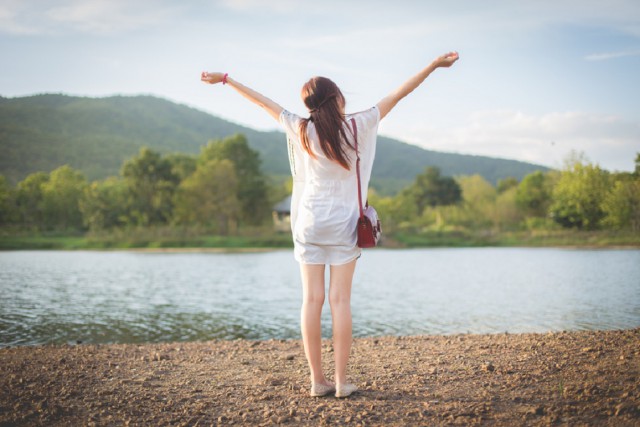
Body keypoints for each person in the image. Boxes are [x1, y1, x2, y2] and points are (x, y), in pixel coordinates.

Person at [201, 51, 459, 398]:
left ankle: (315, 381)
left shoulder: (301, 129)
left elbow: (264, 103)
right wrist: (432, 65)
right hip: (343, 226)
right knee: (340, 302)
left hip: (307, 223)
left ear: (309, 105)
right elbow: (398, 94)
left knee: (311, 301)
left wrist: (227, 80)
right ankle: (340, 382)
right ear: (336, 98)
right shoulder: (358, 125)